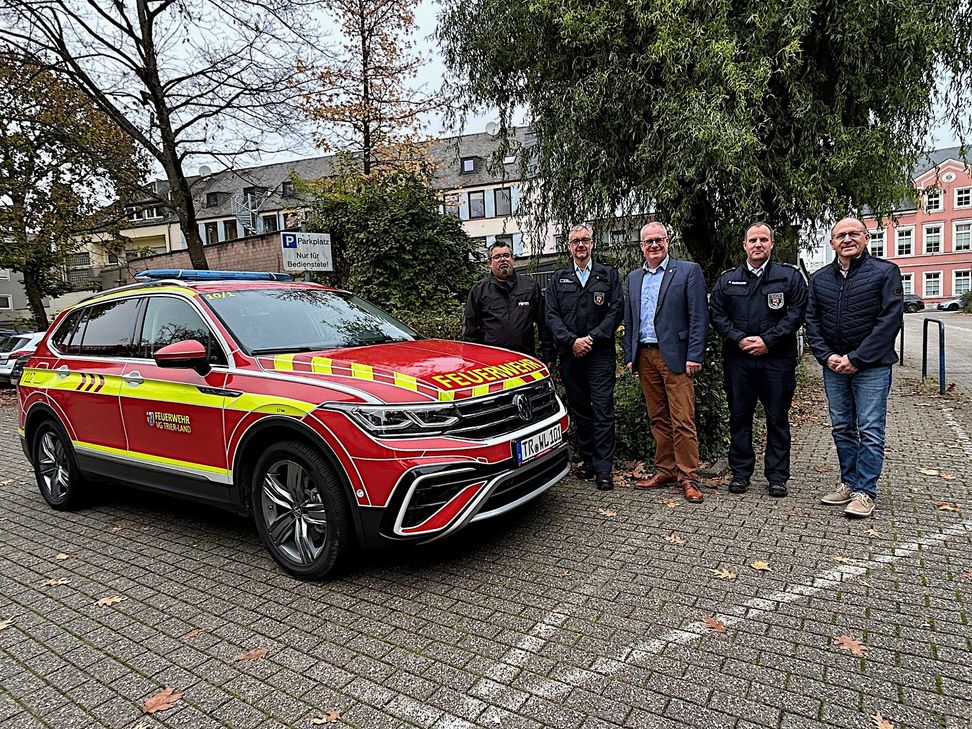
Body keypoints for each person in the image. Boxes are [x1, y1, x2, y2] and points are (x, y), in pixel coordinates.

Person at [806, 216, 903, 518]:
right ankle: (849, 482)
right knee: (842, 427)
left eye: (853, 234)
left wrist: (856, 358)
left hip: (872, 367)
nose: (847, 239)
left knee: (870, 429)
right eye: (840, 236)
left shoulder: (885, 272)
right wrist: (826, 356)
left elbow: (889, 322)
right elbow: (812, 321)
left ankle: (865, 492)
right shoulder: (820, 279)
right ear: (832, 243)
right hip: (833, 366)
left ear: (866, 238)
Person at [709, 222, 808, 497]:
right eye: (752, 240)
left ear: (772, 244)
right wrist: (739, 338)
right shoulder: (728, 279)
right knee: (739, 416)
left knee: (777, 418)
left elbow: (797, 313)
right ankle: (740, 474)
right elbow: (717, 313)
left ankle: (777, 476)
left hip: (777, 360)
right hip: (738, 359)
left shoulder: (789, 277)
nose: (758, 244)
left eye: (763, 239)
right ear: (745, 245)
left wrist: (768, 340)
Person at [622, 222, 709, 503]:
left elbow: (699, 317)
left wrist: (694, 355)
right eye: (648, 241)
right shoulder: (634, 278)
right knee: (658, 417)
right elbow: (630, 319)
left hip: (677, 356)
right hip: (645, 356)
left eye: (659, 239)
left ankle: (689, 477)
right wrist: (629, 356)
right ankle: (666, 470)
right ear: (641, 246)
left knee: (683, 419)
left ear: (667, 242)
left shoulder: (687, 271)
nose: (654, 245)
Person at [545, 224, 623, 491]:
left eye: (585, 240)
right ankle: (588, 460)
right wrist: (571, 341)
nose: (581, 245)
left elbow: (616, 311)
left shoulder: (607, 275)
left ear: (592, 243)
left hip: (599, 354)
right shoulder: (558, 278)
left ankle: (604, 469)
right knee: (580, 410)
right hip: (570, 355)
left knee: (603, 410)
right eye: (576, 241)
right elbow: (551, 315)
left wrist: (591, 338)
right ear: (569, 246)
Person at [462, 241, 555, 365]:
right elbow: (470, 329)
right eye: (497, 257)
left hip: (525, 360)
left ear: (513, 260)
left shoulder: (529, 286)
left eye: (506, 255)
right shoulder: (479, 290)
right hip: (491, 363)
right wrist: (471, 361)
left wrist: (549, 355)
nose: (503, 259)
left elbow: (544, 323)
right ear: (489, 263)